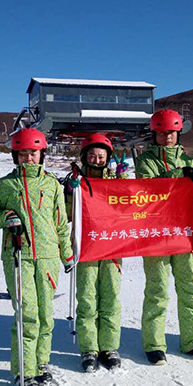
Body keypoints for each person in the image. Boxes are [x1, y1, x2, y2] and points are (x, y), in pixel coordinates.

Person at [0, 128, 74, 386]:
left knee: (46, 314)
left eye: (33, 152)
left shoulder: (51, 185)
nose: (28, 157)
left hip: (48, 256)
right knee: (27, 314)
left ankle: (41, 363)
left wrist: (67, 253)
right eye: (23, 153)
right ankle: (24, 372)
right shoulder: (4, 185)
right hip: (18, 255)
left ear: (41, 155)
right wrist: (6, 216)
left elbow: (61, 221)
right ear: (15, 155)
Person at [135, 109, 193, 366]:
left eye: (171, 132)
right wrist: (179, 178)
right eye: (162, 133)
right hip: (156, 234)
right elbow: (149, 191)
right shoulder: (145, 161)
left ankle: (192, 340)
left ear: (179, 134)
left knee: (190, 289)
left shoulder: (189, 161)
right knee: (157, 290)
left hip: (184, 234)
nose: (167, 137)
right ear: (154, 134)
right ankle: (154, 344)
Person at [64, 134, 130, 372]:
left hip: (112, 247)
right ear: (84, 157)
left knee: (111, 296)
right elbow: (67, 216)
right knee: (88, 298)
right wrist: (71, 194)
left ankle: (109, 346)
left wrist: (125, 183)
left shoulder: (117, 180)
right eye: (92, 155)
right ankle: (89, 348)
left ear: (108, 158)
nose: (97, 159)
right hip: (86, 246)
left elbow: (130, 209)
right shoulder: (76, 181)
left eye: (102, 156)